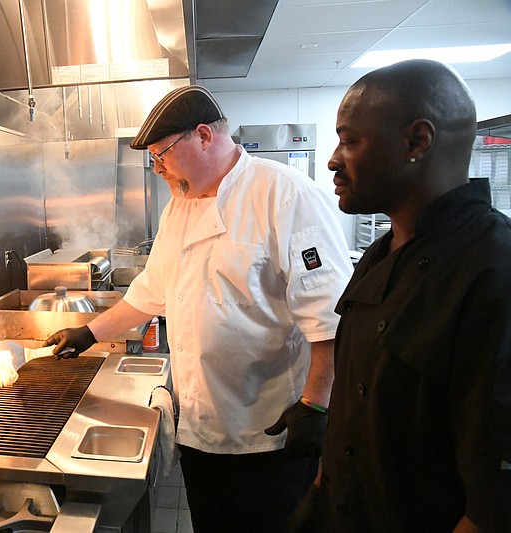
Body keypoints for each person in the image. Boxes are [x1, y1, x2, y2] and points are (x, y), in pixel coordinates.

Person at [44, 85, 353, 532]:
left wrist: (316, 406)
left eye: (162, 155)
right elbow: (151, 291)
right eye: (153, 159)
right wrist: (90, 332)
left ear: (204, 136)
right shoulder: (179, 208)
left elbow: (330, 317)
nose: (158, 168)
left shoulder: (284, 195)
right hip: (202, 429)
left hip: (270, 433)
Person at [293, 59, 511, 532]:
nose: (332, 159)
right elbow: (355, 408)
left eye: (350, 141)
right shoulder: (380, 256)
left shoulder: (493, 273)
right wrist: (319, 495)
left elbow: (495, 503)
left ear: (417, 141)